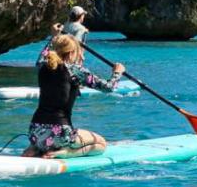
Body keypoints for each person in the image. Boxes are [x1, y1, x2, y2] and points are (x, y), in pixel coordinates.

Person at [22, 29, 124, 158]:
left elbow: (45, 53)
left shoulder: (42, 65)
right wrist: (117, 72)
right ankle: (67, 152)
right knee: (101, 144)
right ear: (71, 53)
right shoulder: (75, 71)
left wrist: (54, 36)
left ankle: (36, 147)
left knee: (45, 137)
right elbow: (109, 87)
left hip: (34, 131)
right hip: (61, 133)